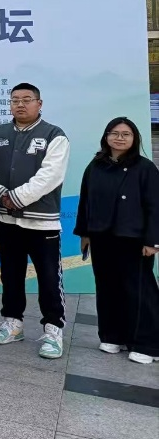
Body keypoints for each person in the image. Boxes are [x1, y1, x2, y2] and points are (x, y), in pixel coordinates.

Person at [0, 83, 70, 359]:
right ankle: (13, 323)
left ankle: (53, 329)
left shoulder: (54, 135)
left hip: (42, 223)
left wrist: (16, 198)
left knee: (49, 277)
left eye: (27, 99)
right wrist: (0, 194)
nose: (20, 104)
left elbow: (50, 176)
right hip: (4, 220)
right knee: (10, 274)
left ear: (39, 103)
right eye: (15, 100)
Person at [75, 117, 159, 365]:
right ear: (106, 137)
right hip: (102, 237)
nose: (119, 138)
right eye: (114, 133)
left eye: (126, 134)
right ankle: (113, 336)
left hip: (133, 239)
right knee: (107, 288)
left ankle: (148, 344)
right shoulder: (96, 165)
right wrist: (85, 233)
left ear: (134, 138)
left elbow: (155, 206)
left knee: (140, 292)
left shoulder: (145, 168)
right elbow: (85, 200)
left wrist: (152, 241)